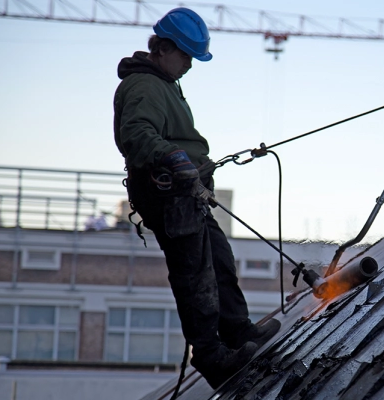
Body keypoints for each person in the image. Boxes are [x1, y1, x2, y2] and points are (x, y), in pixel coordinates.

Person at [113, 7, 280, 389]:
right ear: (164, 48)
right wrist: (172, 157)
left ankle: (238, 331)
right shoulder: (143, 86)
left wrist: (189, 163)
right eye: (186, 55)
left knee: (219, 258)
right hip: (166, 194)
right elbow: (136, 134)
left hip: (184, 192)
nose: (189, 64)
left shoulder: (165, 83)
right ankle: (211, 356)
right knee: (195, 274)